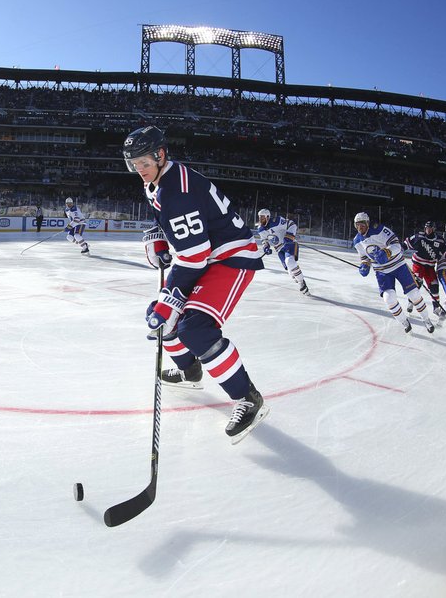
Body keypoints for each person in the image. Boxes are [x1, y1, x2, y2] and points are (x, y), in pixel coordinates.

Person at [124, 125, 269, 442]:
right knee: (164, 318)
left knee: (195, 327)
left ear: (161, 155)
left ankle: (247, 398)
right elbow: (169, 225)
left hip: (231, 258)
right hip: (207, 256)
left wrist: (169, 299)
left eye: (144, 163)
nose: (140, 170)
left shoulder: (179, 191)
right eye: (134, 165)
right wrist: (160, 239)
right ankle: (190, 371)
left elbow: (194, 258)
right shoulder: (159, 182)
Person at [352, 211, 436, 334]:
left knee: (414, 294)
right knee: (388, 298)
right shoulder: (357, 241)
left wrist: (387, 252)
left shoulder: (380, 230)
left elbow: (397, 245)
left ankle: (426, 319)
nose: (360, 228)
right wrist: (364, 265)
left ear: (368, 223)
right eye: (357, 225)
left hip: (398, 265)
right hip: (382, 272)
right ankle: (404, 322)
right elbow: (364, 256)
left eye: (362, 225)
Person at [256, 208, 310, 295]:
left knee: (290, 262)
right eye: (259, 217)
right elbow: (264, 240)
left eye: (262, 217)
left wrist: (289, 236)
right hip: (279, 250)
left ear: (268, 217)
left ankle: (302, 283)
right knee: (290, 271)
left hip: (289, 245)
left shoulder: (277, 221)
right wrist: (266, 247)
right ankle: (298, 278)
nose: (260, 220)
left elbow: (292, 224)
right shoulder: (261, 229)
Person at [403, 220, 446, 317]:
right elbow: (406, 243)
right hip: (418, 264)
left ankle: (436, 307)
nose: (428, 230)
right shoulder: (419, 236)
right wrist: (400, 249)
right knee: (416, 284)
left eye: (430, 228)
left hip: (430, 267)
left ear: (434, 229)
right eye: (427, 228)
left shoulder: (439, 240)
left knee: (434, 285)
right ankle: (410, 302)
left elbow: (445, 251)